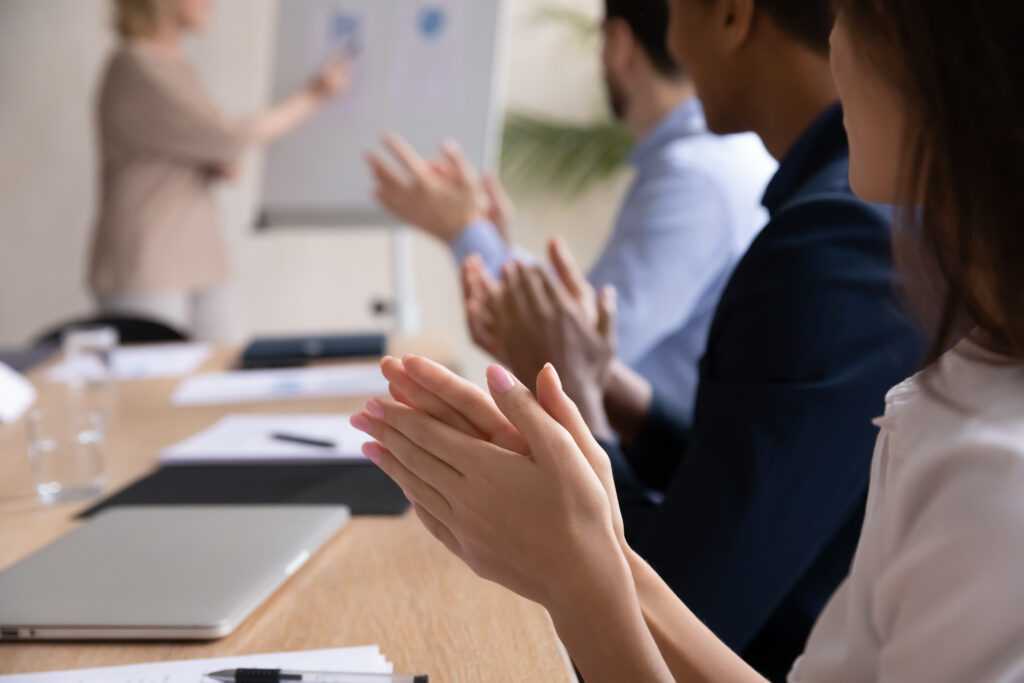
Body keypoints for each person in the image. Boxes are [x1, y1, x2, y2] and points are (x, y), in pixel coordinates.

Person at [352, 0, 1024, 681]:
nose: (832, 39)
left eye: (849, 12)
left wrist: (580, 564)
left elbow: (703, 586)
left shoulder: (983, 455)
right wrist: (586, 543)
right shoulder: (952, 390)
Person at [461, 0, 923, 678]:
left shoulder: (836, 236)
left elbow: (689, 597)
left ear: (734, 17)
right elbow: (748, 465)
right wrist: (613, 393)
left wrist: (569, 402)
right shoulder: (825, 212)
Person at [366, 0, 776, 423]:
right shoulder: (710, 159)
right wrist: (489, 241)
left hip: (655, 469)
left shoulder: (694, 178)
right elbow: (577, 321)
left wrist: (465, 231)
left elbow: (577, 350)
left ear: (618, 44)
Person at [88, 0, 349, 339]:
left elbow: (203, 146)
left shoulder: (175, 64)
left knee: (220, 375)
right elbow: (225, 138)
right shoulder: (135, 65)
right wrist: (313, 96)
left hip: (198, 251)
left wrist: (214, 159)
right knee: (157, 381)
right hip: (149, 259)